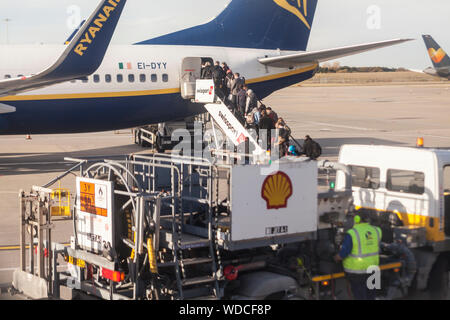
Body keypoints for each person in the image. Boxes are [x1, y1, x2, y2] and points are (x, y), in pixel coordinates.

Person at [334, 213, 382, 300]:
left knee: (360, 296)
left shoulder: (352, 233)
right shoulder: (377, 230)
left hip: (357, 273)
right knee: (371, 296)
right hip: (373, 269)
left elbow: (343, 253)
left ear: (356, 219)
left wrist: (336, 257)